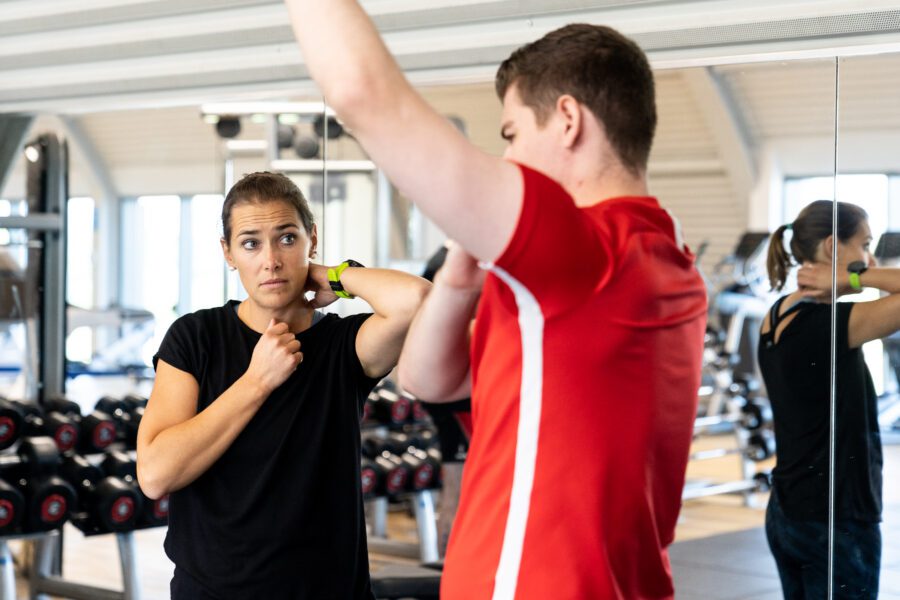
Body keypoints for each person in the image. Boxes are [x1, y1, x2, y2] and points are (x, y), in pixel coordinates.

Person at [284, 5, 709, 598]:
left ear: (567, 120)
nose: (506, 161)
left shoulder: (587, 248)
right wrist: (459, 281)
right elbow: (427, 381)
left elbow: (360, 92)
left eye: (511, 136)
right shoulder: (663, 255)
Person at [135, 171, 430, 599]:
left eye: (287, 238)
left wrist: (333, 276)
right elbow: (156, 474)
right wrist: (257, 381)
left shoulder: (342, 347)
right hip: (214, 591)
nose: (270, 260)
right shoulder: (195, 337)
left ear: (312, 239)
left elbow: (417, 301)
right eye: (251, 242)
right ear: (228, 253)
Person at [759, 200, 886, 600]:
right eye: (864, 245)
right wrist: (853, 280)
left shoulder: (777, 315)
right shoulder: (835, 326)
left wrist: (846, 282)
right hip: (837, 522)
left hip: (787, 511)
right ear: (834, 247)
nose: (870, 258)